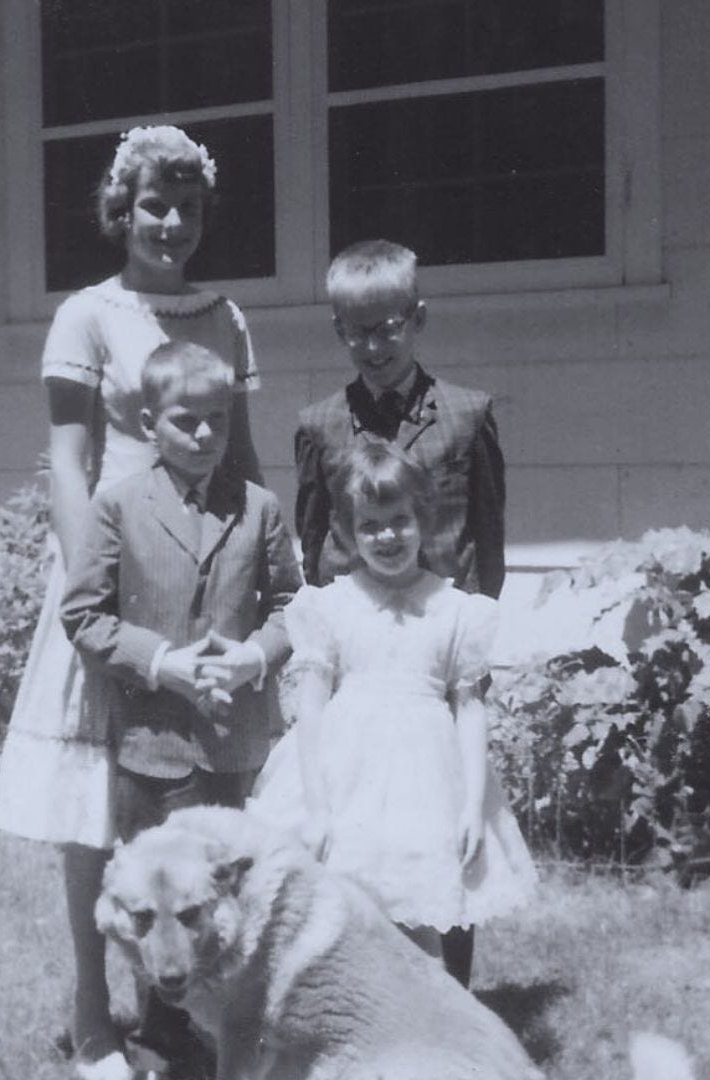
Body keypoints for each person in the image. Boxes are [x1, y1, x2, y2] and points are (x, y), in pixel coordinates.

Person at [0, 126, 264, 1080]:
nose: (173, 224)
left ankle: (183, 1002)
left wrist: (263, 571)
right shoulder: (88, 317)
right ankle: (92, 1012)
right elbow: (69, 461)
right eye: (155, 204)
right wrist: (87, 585)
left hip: (209, 573)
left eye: (188, 207)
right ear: (122, 209)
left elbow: (246, 456)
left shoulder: (224, 316)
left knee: (193, 785)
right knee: (98, 802)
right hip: (109, 572)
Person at [61, 339, 302, 1080]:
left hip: (235, 746)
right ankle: (166, 1037)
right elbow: (84, 614)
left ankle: (230, 1028)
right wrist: (162, 663)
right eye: (186, 421)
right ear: (147, 422)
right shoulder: (119, 506)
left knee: (228, 893)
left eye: (219, 422)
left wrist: (256, 655)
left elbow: (295, 605)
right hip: (153, 744)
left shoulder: (258, 507)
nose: (204, 436)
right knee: (157, 895)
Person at [292, 238, 506, 985]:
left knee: (444, 838)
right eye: (357, 330)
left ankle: (453, 1003)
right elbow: (313, 543)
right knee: (353, 849)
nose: (375, 345)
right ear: (337, 331)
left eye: (390, 327)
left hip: (434, 654)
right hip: (357, 665)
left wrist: (468, 664)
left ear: (418, 319)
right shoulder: (321, 424)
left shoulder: (468, 416)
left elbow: (487, 544)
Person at [248, 441, 536, 969]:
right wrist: (316, 806)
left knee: (419, 914)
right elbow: (310, 711)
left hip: (426, 782)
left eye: (399, 520)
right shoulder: (331, 606)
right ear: (348, 530)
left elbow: (469, 710)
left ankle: (434, 1026)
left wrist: (471, 804)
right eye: (371, 524)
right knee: (345, 912)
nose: (387, 536)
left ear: (423, 518)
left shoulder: (455, 611)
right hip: (346, 777)